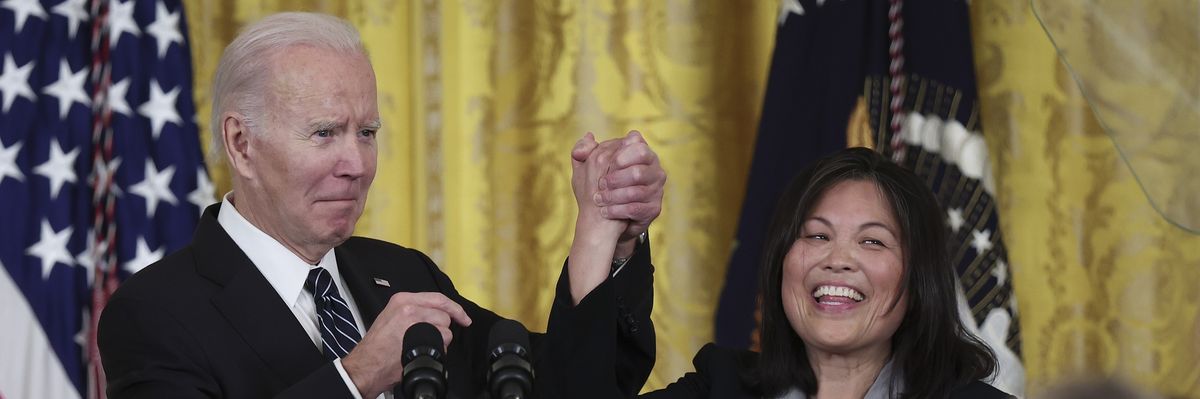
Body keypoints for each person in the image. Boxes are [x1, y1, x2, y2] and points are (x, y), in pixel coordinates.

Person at [97, 12, 665, 399]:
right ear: (242, 144)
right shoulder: (154, 314)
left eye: (367, 132)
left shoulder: (402, 275)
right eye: (324, 133)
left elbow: (573, 386)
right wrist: (357, 377)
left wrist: (601, 233)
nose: (358, 163)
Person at [641, 147, 1009, 398]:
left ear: (918, 279)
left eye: (873, 242)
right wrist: (606, 234)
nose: (838, 259)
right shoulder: (720, 386)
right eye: (818, 235)